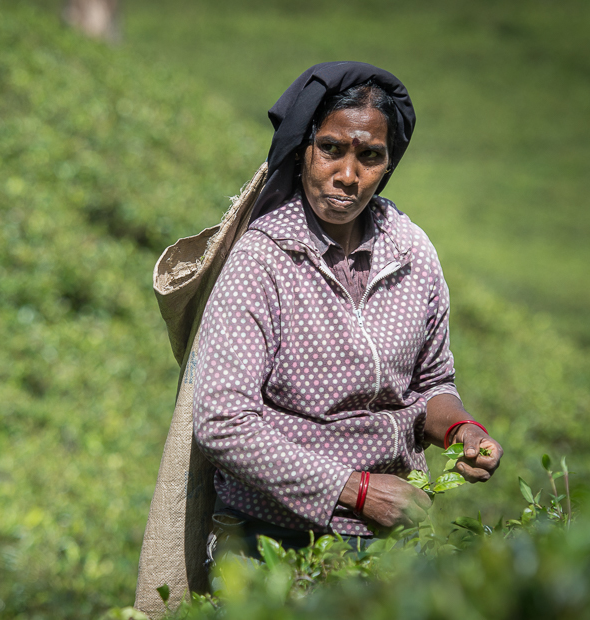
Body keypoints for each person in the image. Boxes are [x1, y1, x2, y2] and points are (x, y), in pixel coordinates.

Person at [192, 62, 503, 557]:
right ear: (302, 151)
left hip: (392, 543)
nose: (348, 176)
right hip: (271, 541)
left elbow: (432, 387)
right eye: (331, 150)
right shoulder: (262, 261)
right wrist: (356, 489)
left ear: (388, 165)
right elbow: (223, 422)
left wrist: (463, 429)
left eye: (370, 157)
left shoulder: (411, 251)